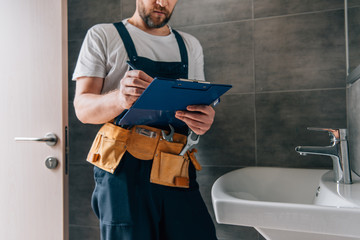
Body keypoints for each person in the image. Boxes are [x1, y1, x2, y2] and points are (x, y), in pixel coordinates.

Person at [73, 0, 217, 239]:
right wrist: (120, 98)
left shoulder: (190, 45)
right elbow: (83, 109)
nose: (162, 3)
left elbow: (198, 101)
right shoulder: (103, 35)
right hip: (122, 171)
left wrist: (203, 120)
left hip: (176, 166)